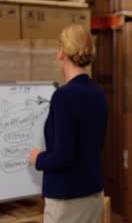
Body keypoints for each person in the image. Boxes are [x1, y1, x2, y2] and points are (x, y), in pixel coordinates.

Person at [29, 24, 108, 223]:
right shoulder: (99, 94)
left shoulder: (63, 97)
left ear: (61, 53)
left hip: (67, 202)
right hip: (93, 195)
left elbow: (63, 156)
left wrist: (38, 159)